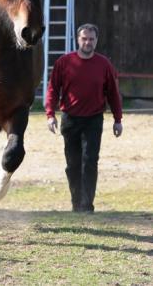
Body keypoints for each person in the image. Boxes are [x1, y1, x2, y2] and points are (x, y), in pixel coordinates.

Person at [45, 23, 123, 212]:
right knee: (73, 164)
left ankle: (87, 205)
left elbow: (113, 93)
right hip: (70, 119)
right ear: (77, 40)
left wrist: (117, 119)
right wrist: (50, 114)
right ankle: (76, 202)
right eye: (84, 38)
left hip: (94, 120)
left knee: (90, 161)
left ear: (96, 41)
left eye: (91, 39)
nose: (88, 42)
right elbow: (53, 89)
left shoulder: (104, 64)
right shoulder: (64, 62)